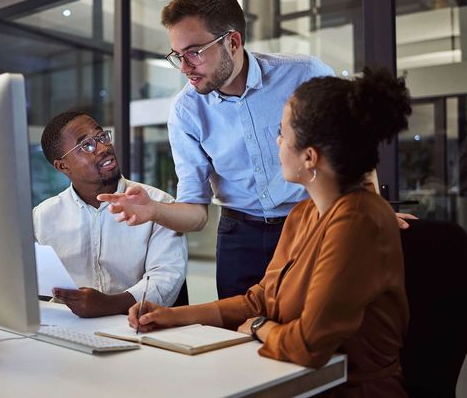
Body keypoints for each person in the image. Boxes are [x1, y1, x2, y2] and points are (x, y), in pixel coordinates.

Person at [128, 67, 411, 398]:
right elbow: (260, 299)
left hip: (344, 389)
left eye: (282, 132)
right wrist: (171, 316)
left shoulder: (357, 222)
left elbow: (307, 346)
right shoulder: (304, 213)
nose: (277, 141)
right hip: (295, 377)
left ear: (309, 157)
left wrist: (261, 327)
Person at [33, 110, 187, 318]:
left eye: (102, 137)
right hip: (67, 325)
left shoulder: (159, 204)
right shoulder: (43, 217)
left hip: (139, 325)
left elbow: (166, 279)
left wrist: (109, 304)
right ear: (62, 166)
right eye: (86, 145)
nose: (104, 148)